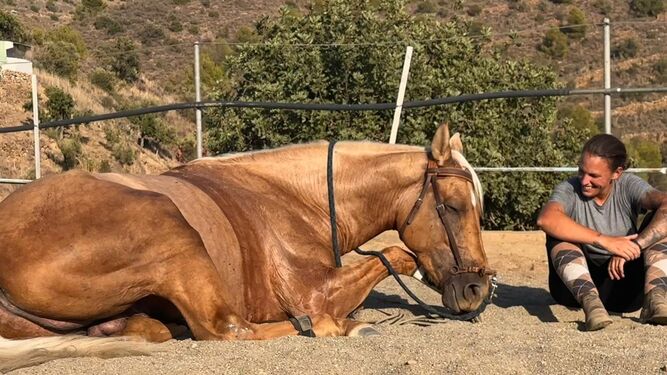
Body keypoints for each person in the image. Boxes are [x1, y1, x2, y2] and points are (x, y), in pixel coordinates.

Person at [537, 133, 667, 331]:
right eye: (581, 171)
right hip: (572, 293)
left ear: (617, 173)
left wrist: (634, 247)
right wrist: (605, 241)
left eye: (594, 176)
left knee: (660, 225)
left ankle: (655, 299)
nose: (584, 181)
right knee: (558, 232)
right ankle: (592, 305)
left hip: (625, 289)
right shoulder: (568, 189)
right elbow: (545, 219)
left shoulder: (629, 185)